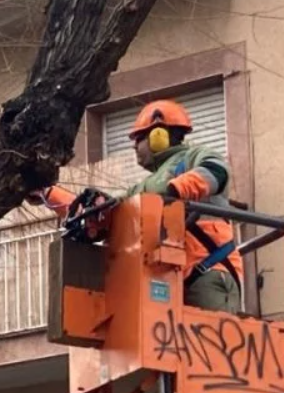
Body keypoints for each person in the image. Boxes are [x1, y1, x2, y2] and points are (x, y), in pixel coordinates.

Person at [28, 99, 243, 313]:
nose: (134, 146)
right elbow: (102, 213)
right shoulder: (141, 188)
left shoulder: (194, 157)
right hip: (169, 277)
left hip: (208, 271)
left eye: (139, 138)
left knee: (205, 341)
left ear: (159, 135)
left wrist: (175, 191)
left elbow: (216, 172)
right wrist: (48, 192)